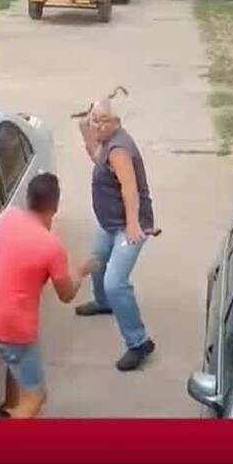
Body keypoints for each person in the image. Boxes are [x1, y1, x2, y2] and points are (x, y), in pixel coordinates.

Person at [0, 173, 95, 418]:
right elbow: (66, 295)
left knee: (15, 361)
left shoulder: (7, 217)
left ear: (28, 198)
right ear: (55, 206)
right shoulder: (52, 247)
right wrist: (81, 272)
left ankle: (9, 407)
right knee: (36, 395)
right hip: (15, 328)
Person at [75, 96, 157, 371]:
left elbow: (129, 188)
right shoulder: (106, 143)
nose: (98, 125)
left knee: (115, 282)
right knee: (97, 260)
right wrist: (84, 128)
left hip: (128, 225)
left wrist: (133, 224)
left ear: (117, 123)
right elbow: (96, 157)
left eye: (104, 120)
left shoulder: (119, 149)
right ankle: (104, 303)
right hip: (109, 222)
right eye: (95, 120)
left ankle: (139, 342)